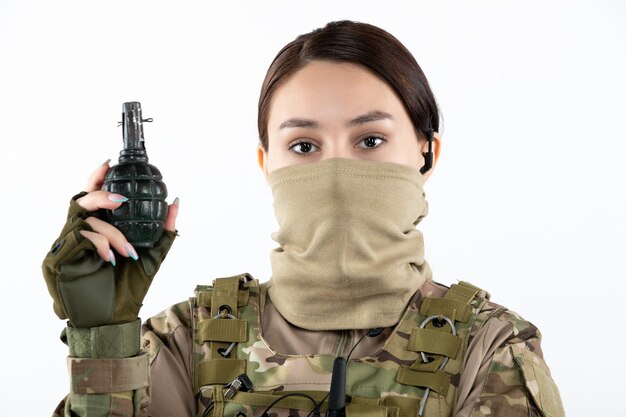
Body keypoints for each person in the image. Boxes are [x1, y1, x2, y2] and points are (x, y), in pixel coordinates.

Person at [42, 20, 565, 417]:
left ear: (426, 155)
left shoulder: (488, 349)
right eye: (304, 144)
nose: (336, 170)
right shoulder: (184, 344)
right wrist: (103, 338)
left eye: (370, 140)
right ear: (267, 163)